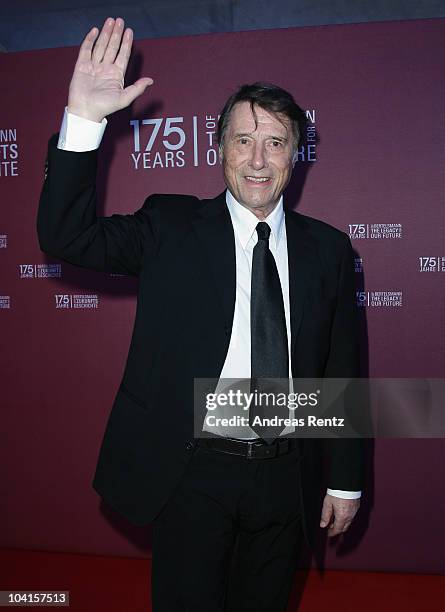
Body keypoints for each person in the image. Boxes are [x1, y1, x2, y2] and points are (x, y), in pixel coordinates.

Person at [37, 17, 364, 612]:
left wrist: (344, 479)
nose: (259, 160)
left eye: (276, 142)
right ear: (219, 150)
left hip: (286, 477)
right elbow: (66, 236)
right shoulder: (171, 227)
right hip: (193, 473)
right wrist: (83, 119)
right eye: (243, 140)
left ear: (298, 153)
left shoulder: (330, 249)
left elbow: (342, 370)